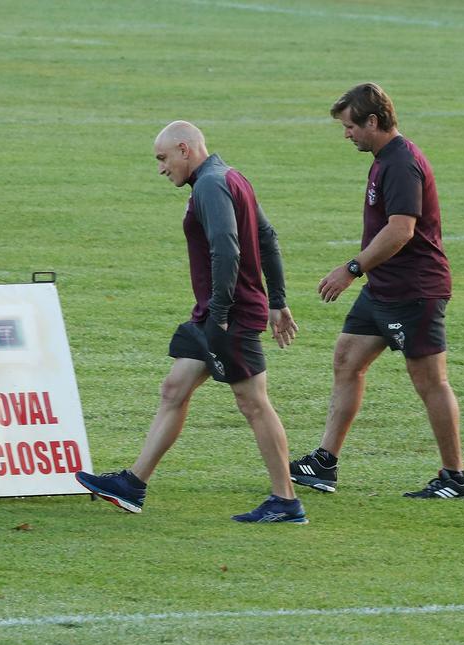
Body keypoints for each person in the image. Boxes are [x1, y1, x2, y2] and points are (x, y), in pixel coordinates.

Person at [75, 121, 307, 524]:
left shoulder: (210, 186)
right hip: (216, 313)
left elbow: (227, 249)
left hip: (227, 314)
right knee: (173, 389)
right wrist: (277, 301)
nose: (161, 169)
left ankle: (286, 501)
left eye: (163, 159)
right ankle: (132, 485)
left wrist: (219, 315)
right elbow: (267, 238)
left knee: (253, 403)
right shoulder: (231, 177)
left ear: (185, 149)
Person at [289, 83, 464, 500]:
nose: (347, 134)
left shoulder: (402, 163)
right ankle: (324, 463)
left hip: (414, 291)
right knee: (346, 360)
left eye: (351, 126)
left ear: (374, 121)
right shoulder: (383, 159)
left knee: (429, 381)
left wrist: (351, 269)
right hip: (384, 288)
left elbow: (401, 230)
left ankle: (454, 477)